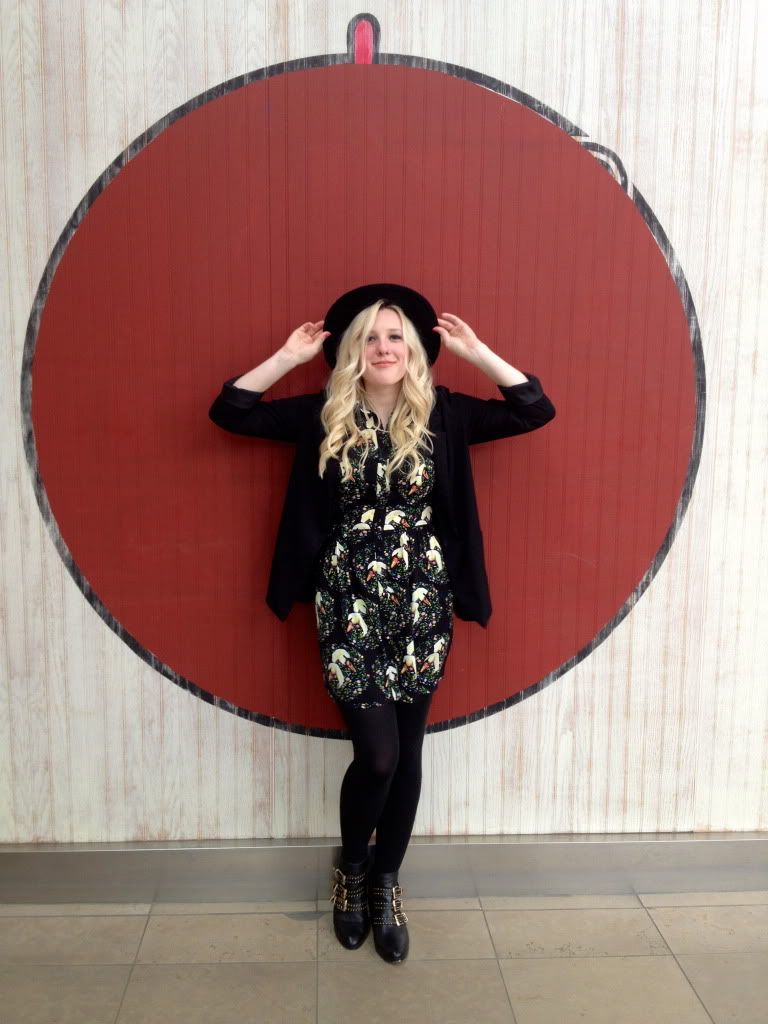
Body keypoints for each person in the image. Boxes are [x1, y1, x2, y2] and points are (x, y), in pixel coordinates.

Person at [208, 282, 556, 964]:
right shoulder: (324, 414)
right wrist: (287, 357)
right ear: (351, 349)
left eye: (396, 336)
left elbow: (533, 409)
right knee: (379, 755)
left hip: (423, 602)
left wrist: (477, 353)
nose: (384, 348)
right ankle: (352, 871)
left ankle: (386, 884)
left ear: (416, 349)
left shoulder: (444, 415)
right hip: (348, 601)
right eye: (370, 336)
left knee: (409, 752)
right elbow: (230, 411)